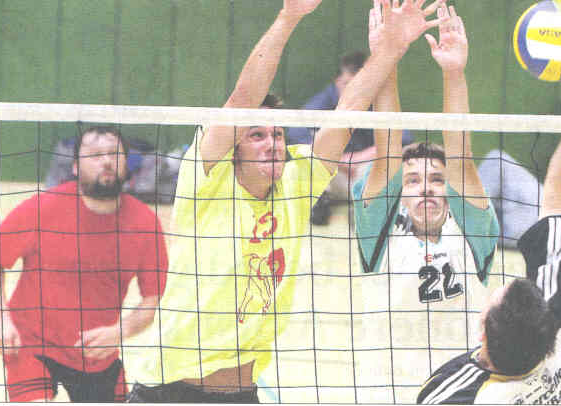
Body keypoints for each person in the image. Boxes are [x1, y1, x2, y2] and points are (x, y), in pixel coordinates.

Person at [127, 0, 446, 403]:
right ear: (234, 149)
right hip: (168, 391)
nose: (271, 143)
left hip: (241, 393)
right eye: (256, 135)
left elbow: (346, 113)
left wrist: (391, 50)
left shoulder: (297, 183)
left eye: (277, 135)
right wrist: (289, 16)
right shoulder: (207, 179)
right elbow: (243, 97)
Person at [416, 66, 561, 404]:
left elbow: (464, 168)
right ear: (549, 332)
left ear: (483, 330)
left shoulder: (451, 394)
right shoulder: (552, 344)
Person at [353, 5, 499, 402]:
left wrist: (453, 73)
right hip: (386, 394)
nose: (426, 188)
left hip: (460, 394)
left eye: (437, 179)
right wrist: (389, 54)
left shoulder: (473, 235)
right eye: (413, 180)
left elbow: (462, 159)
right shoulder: (379, 234)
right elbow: (386, 150)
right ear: (399, 193)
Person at [0, 126, 169, 402]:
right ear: (74, 166)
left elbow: (151, 301)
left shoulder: (145, 223)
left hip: (97, 355)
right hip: (31, 344)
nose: (106, 160)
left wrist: (120, 331)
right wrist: (0, 319)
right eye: (95, 154)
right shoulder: (43, 208)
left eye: (114, 153)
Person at [288, 51, 414, 225]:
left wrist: (357, 159)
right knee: (307, 160)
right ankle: (318, 205)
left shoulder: (377, 102)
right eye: (348, 84)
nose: (354, 90)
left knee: (395, 160)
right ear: (338, 81)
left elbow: (402, 141)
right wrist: (340, 159)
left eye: (359, 85)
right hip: (334, 173)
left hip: (363, 174)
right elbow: (299, 140)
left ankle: (364, 210)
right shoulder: (320, 104)